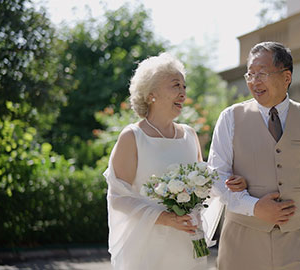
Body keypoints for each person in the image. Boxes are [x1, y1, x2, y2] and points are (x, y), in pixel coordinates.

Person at [103, 53, 245, 270]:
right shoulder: (133, 137)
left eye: (184, 86)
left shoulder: (190, 135)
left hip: (187, 243)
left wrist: (229, 183)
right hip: (147, 246)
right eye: (175, 85)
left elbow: (205, 187)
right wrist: (165, 218)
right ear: (152, 94)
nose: (183, 92)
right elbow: (118, 198)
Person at [208, 41, 300, 270]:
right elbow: (216, 178)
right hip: (242, 243)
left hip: (298, 243)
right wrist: (254, 206)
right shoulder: (230, 118)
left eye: (262, 74)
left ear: (286, 77)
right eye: (250, 74)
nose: (254, 81)